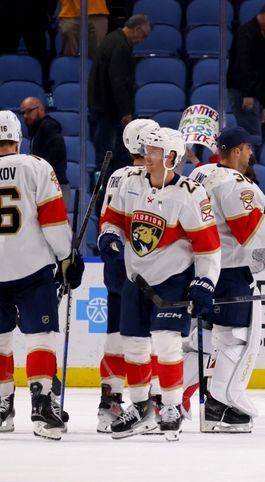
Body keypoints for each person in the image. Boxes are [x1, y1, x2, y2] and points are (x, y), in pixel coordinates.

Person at [0, 110, 85, 441]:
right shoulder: (36, 167)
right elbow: (53, 221)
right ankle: (41, 405)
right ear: (18, 139)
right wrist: (67, 256)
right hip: (31, 268)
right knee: (40, 336)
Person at [99, 128, 221, 441]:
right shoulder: (130, 182)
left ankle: (169, 406)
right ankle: (141, 409)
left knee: (166, 343)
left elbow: (208, 248)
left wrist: (204, 282)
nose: (146, 156)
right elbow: (113, 218)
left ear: (170, 157)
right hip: (135, 277)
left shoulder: (191, 194)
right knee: (134, 346)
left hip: (172, 279)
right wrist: (110, 235)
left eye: (153, 151)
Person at [189, 126, 265, 432]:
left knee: (199, 343)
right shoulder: (236, 185)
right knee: (235, 340)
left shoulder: (200, 175)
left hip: (198, 269)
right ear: (237, 151)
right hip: (229, 271)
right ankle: (220, 407)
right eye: (247, 148)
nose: (251, 153)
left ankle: (164, 398)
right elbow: (250, 234)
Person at [95, 118, 159, 434]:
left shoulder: (118, 176)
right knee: (153, 336)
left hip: (118, 266)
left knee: (116, 335)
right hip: (149, 266)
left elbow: (106, 222)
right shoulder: (155, 175)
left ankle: (110, 400)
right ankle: (154, 399)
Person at [89, 15, 152, 171]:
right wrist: (126, 111)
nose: (142, 41)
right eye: (143, 36)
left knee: (106, 151)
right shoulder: (120, 46)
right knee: (109, 153)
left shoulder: (112, 39)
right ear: (136, 30)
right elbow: (118, 81)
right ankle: (107, 189)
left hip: (102, 107)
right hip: (109, 111)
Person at [227, 2, 265, 146]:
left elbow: (264, 69)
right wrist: (247, 94)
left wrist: (264, 103)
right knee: (250, 136)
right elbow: (243, 64)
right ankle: (248, 167)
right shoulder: (247, 32)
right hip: (246, 94)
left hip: (255, 95)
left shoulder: (262, 34)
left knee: (253, 134)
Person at [20, 97, 70, 209]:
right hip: (47, 186)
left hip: (53, 187)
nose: (25, 116)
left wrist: (40, 172)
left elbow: (58, 152)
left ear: (41, 109)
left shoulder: (48, 126)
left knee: (54, 225)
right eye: (23, 113)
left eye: (29, 111)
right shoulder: (37, 129)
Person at [0, 0, 54, 71]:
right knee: (3, 54)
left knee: (39, 54)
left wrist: (48, 12)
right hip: (6, 16)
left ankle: (41, 79)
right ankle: (0, 77)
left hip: (36, 15)